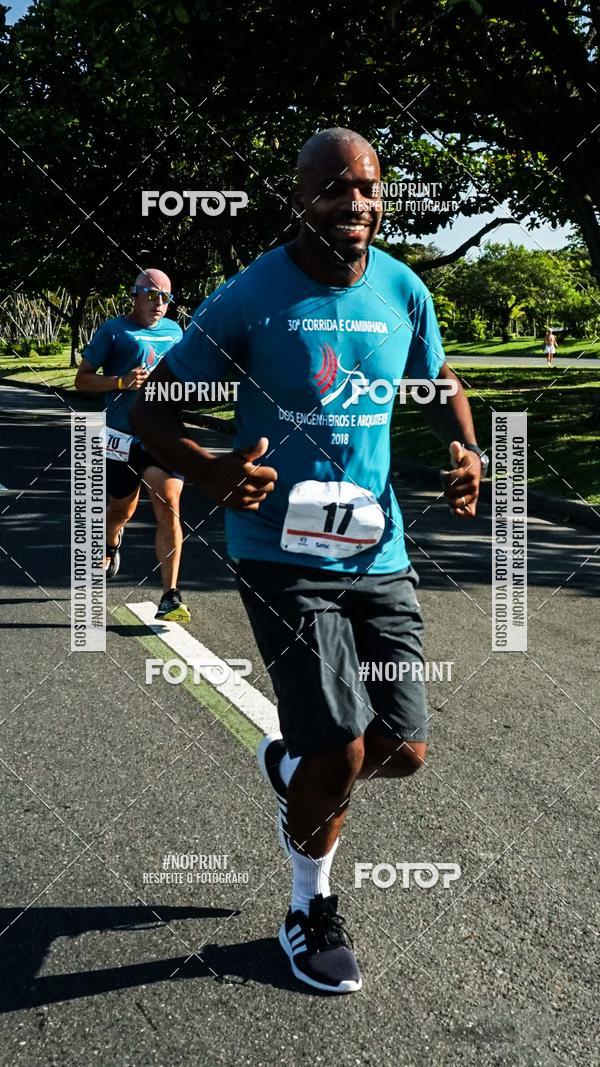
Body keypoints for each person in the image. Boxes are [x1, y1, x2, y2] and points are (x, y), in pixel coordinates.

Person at [132, 129, 485, 993]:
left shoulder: (402, 289)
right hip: (280, 554)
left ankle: (290, 767)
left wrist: (467, 448)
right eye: (335, 187)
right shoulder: (250, 296)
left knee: (403, 748)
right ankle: (308, 907)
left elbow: (438, 379)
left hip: (378, 550)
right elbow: (153, 409)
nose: (354, 203)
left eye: (368, 188)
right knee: (340, 749)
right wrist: (210, 469)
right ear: (300, 197)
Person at [74, 269, 191, 622]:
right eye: (152, 295)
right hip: (120, 438)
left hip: (162, 437)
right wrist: (120, 382)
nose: (159, 303)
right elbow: (82, 380)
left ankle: (171, 595)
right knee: (120, 511)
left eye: (166, 298)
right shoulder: (114, 330)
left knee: (169, 504)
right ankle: (111, 542)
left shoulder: (176, 332)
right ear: (134, 294)